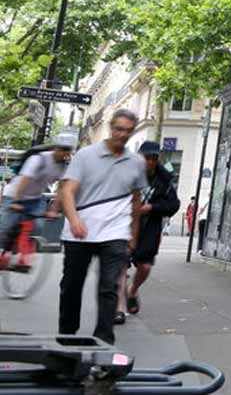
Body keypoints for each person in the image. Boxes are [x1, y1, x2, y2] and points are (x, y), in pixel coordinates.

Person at [58, 109, 148, 346]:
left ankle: (104, 341)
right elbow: (67, 190)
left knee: (109, 286)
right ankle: (66, 336)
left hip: (114, 232)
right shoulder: (86, 156)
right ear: (110, 127)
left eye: (128, 131)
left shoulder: (136, 162)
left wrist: (133, 235)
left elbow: (136, 201)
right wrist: (74, 219)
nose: (122, 135)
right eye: (118, 129)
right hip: (81, 231)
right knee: (71, 285)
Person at [115, 140, 180, 324]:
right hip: (124, 225)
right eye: (146, 158)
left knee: (145, 267)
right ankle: (119, 308)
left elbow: (173, 205)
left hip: (149, 229)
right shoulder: (128, 174)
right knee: (120, 266)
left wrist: (151, 207)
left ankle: (132, 290)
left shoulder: (164, 180)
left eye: (153, 158)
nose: (149, 162)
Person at [0, 133, 76, 267]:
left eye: (67, 150)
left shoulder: (64, 166)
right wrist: (16, 202)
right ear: (55, 148)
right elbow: (24, 180)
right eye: (62, 149)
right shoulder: (38, 159)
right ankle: (4, 251)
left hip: (35, 199)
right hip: (14, 194)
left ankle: (21, 258)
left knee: (37, 227)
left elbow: (62, 189)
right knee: (4, 228)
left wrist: (53, 209)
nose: (64, 153)